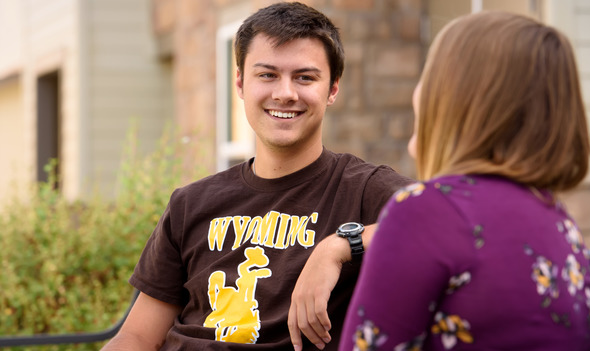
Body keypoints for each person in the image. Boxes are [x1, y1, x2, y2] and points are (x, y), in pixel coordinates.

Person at [100, 2, 412, 350]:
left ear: (333, 89)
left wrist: (338, 247)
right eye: (267, 75)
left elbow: (454, 221)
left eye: (305, 77)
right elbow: (138, 336)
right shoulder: (191, 203)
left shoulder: (364, 189)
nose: (285, 93)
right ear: (240, 83)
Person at [339, 10, 590, 350]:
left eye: (429, 75)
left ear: (458, 99)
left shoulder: (427, 211)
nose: (418, 92)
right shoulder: (558, 221)